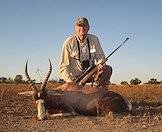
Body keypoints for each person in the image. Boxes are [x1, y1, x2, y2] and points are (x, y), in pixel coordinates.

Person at [59, 16, 112, 88]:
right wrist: (71, 83)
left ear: (88, 28)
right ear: (75, 28)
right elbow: (63, 67)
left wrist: (100, 64)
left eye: (84, 25)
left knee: (107, 69)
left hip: (90, 73)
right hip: (74, 78)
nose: (82, 28)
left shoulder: (94, 39)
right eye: (79, 26)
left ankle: (99, 92)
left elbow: (100, 56)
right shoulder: (69, 42)